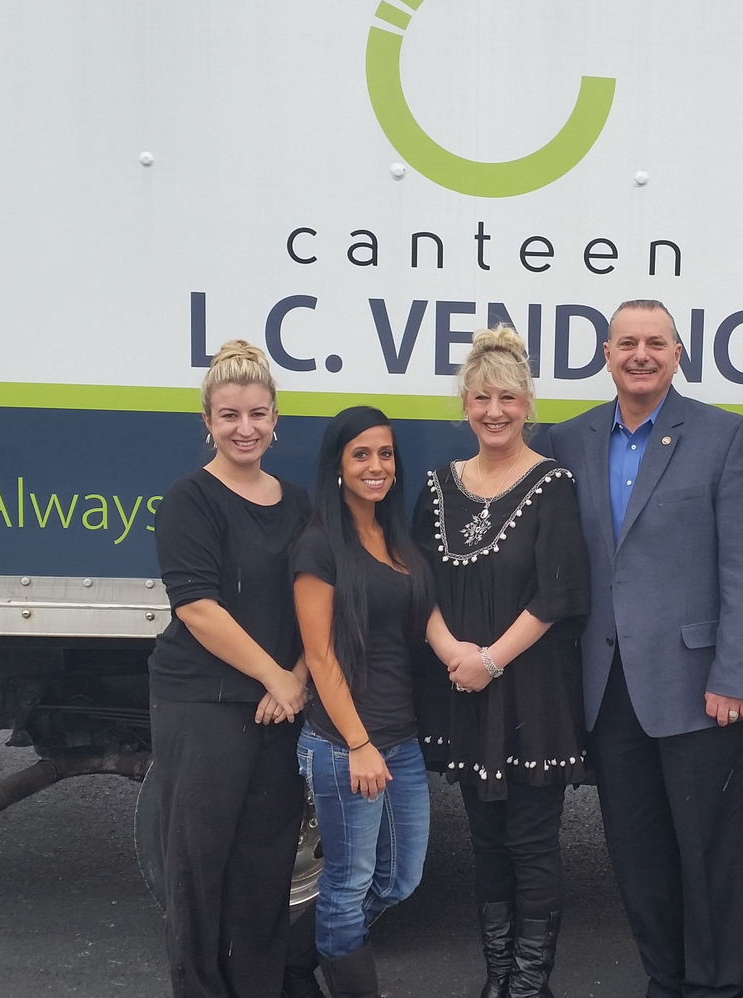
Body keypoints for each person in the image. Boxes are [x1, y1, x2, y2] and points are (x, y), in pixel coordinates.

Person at [545, 299, 743, 998]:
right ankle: (666, 981)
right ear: (606, 355)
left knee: (707, 858)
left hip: (702, 685)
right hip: (607, 685)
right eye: (626, 343)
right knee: (637, 856)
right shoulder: (568, 439)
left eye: (655, 343)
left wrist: (735, 672)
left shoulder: (725, 436)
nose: (640, 354)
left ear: (678, 354)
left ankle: (713, 988)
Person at [413, 325, 590, 998]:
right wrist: (452, 652)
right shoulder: (436, 487)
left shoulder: (554, 484)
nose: (495, 411)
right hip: (462, 686)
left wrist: (490, 658)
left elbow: (558, 594)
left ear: (528, 405)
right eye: (482, 398)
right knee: (485, 843)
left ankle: (528, 984)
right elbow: (414, 581)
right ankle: (498, 978)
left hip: (530, 691)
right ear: (464, 403)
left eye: (508, 399)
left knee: (531, 843)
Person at [150, 340, 313, 998]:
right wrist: (277, 678)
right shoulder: (190, 501)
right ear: (208, 423)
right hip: (205, 703)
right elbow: (198, 610)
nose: (244, 428)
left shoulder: (300, 504)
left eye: (257, 414)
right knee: (199, 864)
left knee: (268, 864)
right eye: (229, 416)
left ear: (277, 420)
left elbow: (319, 603)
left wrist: (296, 679)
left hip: (281, 706)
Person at [293, 406, 437, 998]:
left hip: (398, 738)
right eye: (361, 455)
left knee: (400, 878)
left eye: (385, 454)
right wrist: (357, 744)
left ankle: (281, 959)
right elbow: (320, 657)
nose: (376, 466)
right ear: (337, 466)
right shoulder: (319, 545)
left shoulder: (393, 535)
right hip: (343, 742)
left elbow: (423, 620)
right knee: (348, 885)